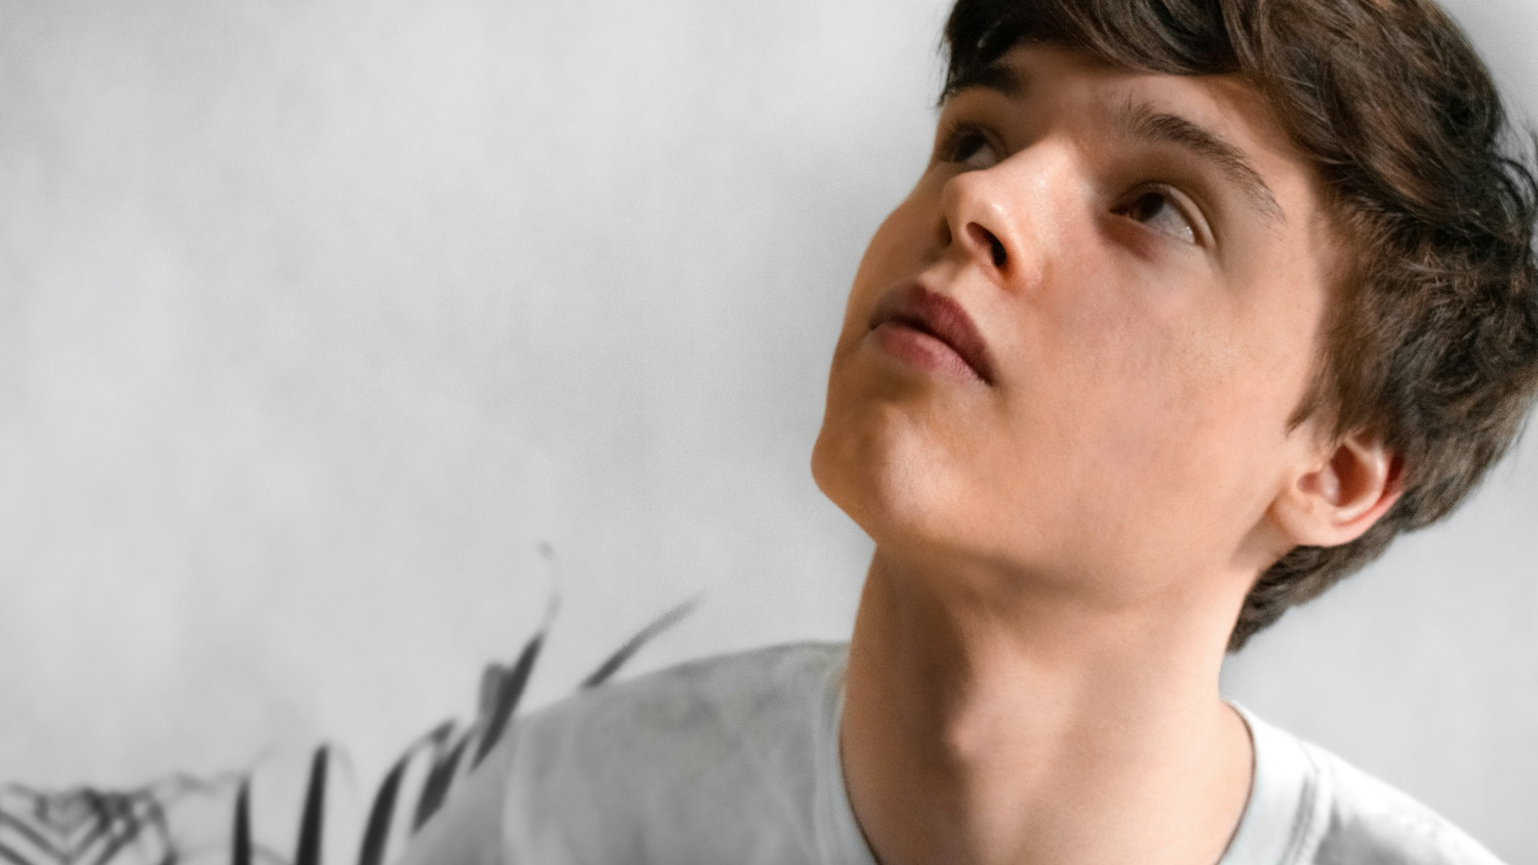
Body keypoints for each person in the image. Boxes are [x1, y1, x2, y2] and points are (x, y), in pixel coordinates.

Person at [398, 0, 1538, 862]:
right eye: (976, 138)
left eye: (1156, 208)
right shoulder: (562, 824)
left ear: (1338, 472)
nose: (980, 200)